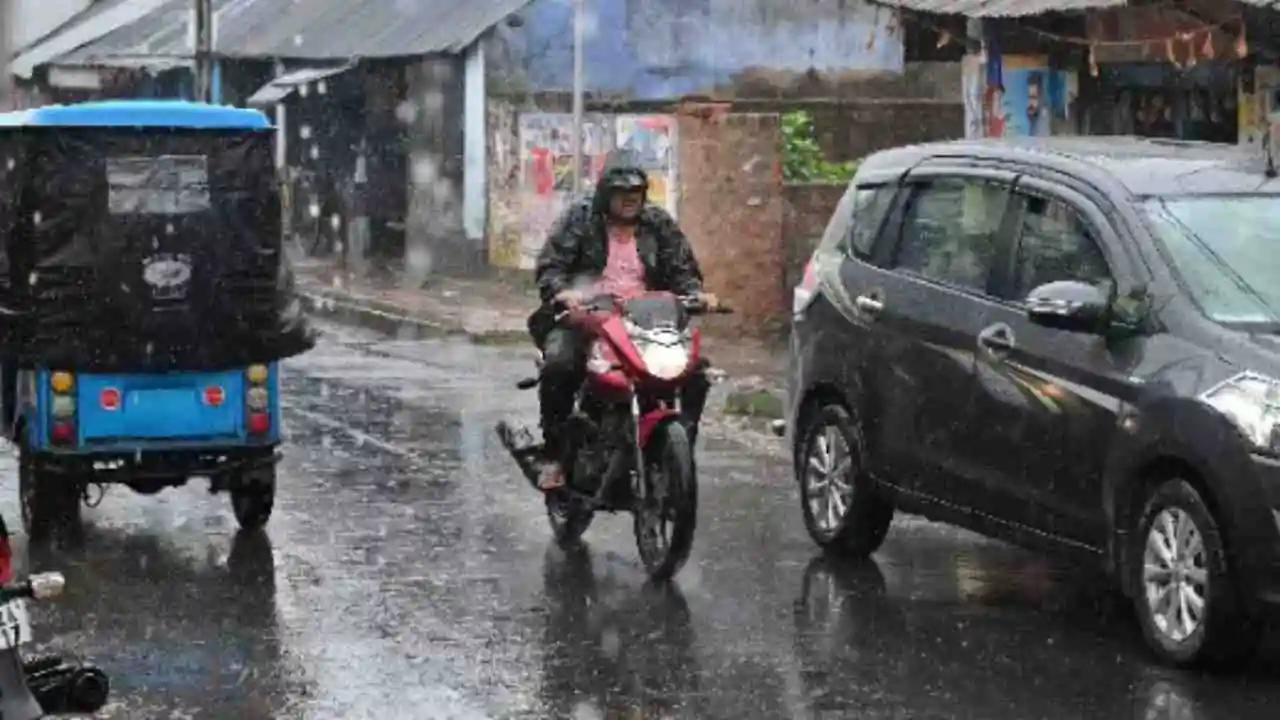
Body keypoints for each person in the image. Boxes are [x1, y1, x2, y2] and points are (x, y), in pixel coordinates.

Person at [529, 150, 718, 490]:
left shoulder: (657, 224)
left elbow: (682, 269)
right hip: (587, 320)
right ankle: (554, 454)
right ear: (606, 193)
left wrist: (695, 293)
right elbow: (551, 266)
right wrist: (562, 291)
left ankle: (677, 449)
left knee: (694, 373)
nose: (630, 199)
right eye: (621, 192)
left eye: (636, 192)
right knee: (560, 365)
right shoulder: (580, 219)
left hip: (645, 321)